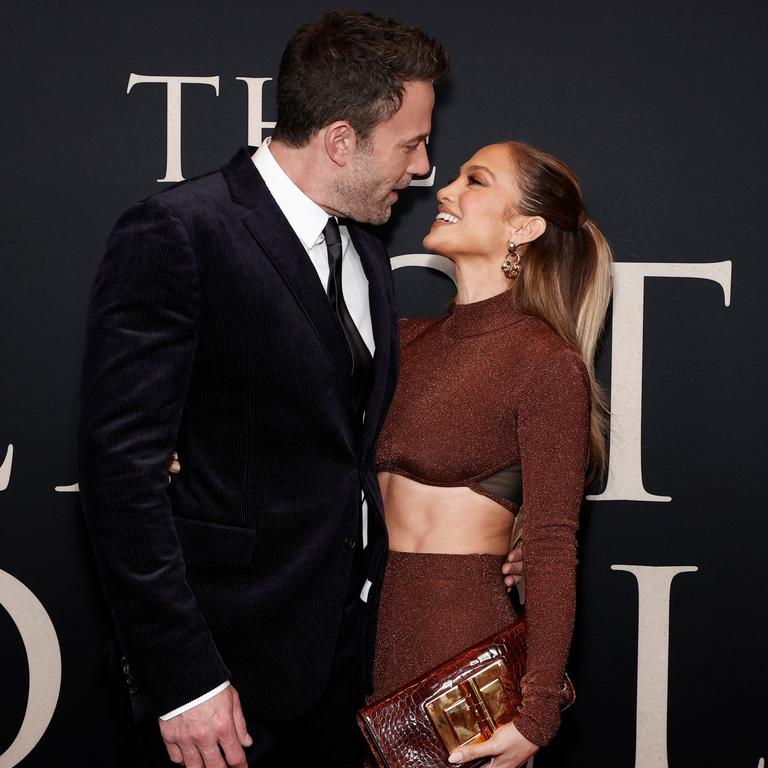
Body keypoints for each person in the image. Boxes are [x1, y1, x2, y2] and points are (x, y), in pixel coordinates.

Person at [77, 10, 452, 768]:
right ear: (340, 139)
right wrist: (182, 679)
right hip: (222, 677)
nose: (422, 168)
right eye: (412, 144)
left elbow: (352, 444)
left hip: (343, 667)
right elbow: (122, 479)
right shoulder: (181, 233)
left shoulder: (366, 252)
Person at [372, 140, 613, 768]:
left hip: (458, 657)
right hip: (361, 648)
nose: (445, 191)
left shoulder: (546, 364)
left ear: (525, 227)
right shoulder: (404, 342)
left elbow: (556, 545)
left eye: (474, 181)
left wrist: (536, 716)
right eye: (453, 178)